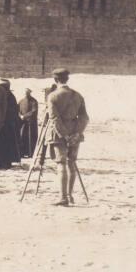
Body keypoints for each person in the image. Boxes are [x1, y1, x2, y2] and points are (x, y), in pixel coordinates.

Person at [47, 68, 89, 207]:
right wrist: (76, 133)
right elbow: (84, 117)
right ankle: (70, 195)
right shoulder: (78, 95)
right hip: (75, 133)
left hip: (59, 135)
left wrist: (64, 135)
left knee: (61, 164)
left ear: (55, 80)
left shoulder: (53, 96)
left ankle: (63, 197)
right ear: (67, 79)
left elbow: (54, 118)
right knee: (72, 163)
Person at [0, 78, 21, 168]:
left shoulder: (9, 97)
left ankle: (5, 162)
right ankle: (3, 161)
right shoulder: (9, 96)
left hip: (7, 124)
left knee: (5, 143)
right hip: (6, 123)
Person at [18, 88, 39, 159]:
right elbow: (17, 110)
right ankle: (22, 153)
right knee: (22, 137)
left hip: (31, 123)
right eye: (25, 93)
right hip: (23, 123)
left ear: (29, 93)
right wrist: (20, 116)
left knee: (31, 138)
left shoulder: (34, 101)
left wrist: (24, 116)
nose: (26, 94)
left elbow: (34, 111)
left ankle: (31, 153)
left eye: (27, 92)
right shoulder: (21, 101)